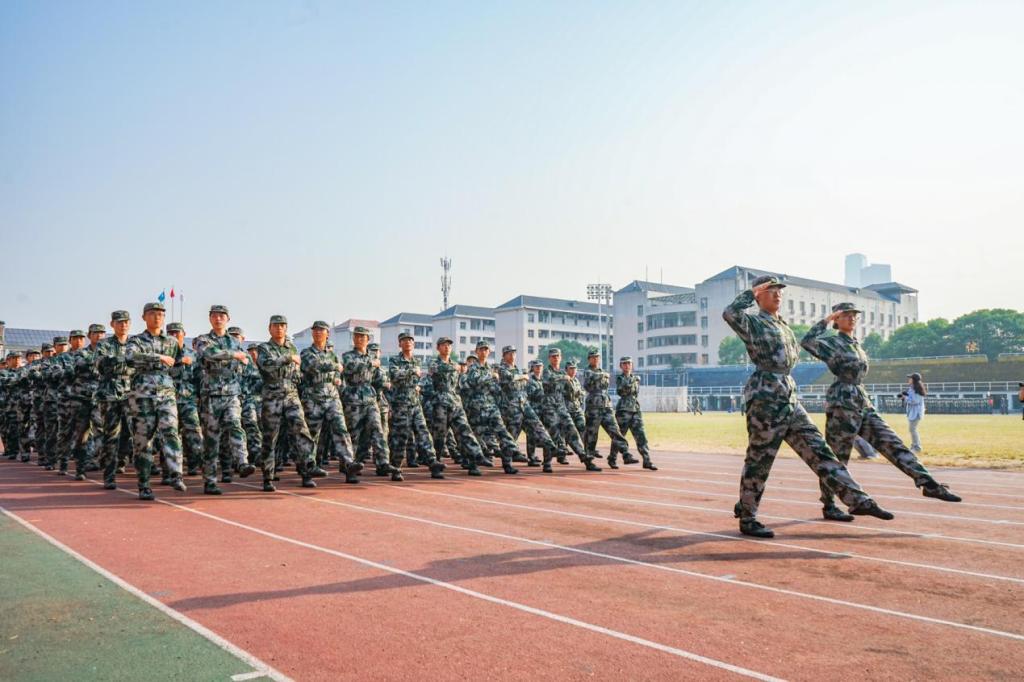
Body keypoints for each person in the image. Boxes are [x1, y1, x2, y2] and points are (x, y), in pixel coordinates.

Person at [723, 275, 893, 538]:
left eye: (779, 290)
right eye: (771, 290)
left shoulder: (782, 324)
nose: (777, 294)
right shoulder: (753, 323)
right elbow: (730, 313)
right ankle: (747, 516)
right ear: (758, 295)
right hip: (765, 397)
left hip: (788, 394)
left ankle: (857, 499)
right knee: (760, 459)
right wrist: (751, 292)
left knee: (819, 449)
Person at [801, 303, 960, 521]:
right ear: (837, 319)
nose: (851, 318)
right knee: (837, 459)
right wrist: (826, 320)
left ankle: (929, 484)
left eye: (854, 315)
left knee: (892, 442)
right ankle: (829, 505)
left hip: (861, 400)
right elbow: (807, 341)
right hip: (842, 404)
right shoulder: (831, 342)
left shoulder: (856, 344)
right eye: (845, 315)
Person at [254, 315, 325, 491]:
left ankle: (308, 469)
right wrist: (288, 358)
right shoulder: (264, 348)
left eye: (282, 326)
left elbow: (295, 372)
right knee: (270, 438)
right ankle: (268, 477)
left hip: (291, 396)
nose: (279, 328)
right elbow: (266, 365)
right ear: (269, 328)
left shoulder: (291, 347)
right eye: (275, 325)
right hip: (272, 397)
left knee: (301, 432)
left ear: (286, 329)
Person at [125, 302, 188, 500]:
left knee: (171, 431)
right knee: (143, 441)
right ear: (144, 317)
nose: (157, 317)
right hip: (143, 396)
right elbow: (130, 357)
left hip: (166, 394)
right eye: (152, 314)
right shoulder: (136, 340)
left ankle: (176, 474)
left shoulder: (171, 342)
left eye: (160, 314)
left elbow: (177, 366)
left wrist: (184, 364)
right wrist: (158, 357)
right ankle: (144, 484)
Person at [194, 304, 257, 495]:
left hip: (231, 394)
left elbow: (246, 365)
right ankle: (210, 481)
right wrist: (234, 355)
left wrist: (242, 361)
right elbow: (209, 354)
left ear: (228, 319)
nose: (218, 318)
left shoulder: (234, 342)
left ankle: (242, 461)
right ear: (210, 318)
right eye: (214, 315)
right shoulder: (203, 340)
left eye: (222, 316)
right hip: (211, 396)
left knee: (235, 425)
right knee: (211, 440)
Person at [299, 321, 363, 483]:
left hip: (332, 397)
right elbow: (313, 365)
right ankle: (307, 471)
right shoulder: (307, 353)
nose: (318, 332)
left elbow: (338, 374)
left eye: (322, 330)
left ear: (327, 334)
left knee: (341, 430)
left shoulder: (332, 354)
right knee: (312, 435)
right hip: (313, 398)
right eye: (316, 330)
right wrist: (335, 366)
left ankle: (349, 464)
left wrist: (336, 377)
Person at [387, 332, 446, 478]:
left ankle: (433, 463)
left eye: (410, 340)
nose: (407, 342)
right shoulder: (395, 360)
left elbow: (417, 379)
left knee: (424, 434)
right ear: (400, 344)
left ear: (413, 344)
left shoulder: (417, 360)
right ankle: (396, 468)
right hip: (401, 405)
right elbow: (394, 375)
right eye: (404, 340)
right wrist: (412, 371)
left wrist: (418, 385)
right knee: (400, 438)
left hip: (415, 403)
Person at [342, 327, 397, 479]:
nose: (360, 339)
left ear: (368, 339)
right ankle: (350, 466)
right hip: (353, 398)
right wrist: (371, 363)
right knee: (354, 435)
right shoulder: (348, 356)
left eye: (363, 337)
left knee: (377, 430)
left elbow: (379, 378)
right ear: (354, 339)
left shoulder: (373, 358)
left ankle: (383, 462)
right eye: (357, 336)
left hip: (370, 398)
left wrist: (384, 379)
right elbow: (351, 367)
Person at [428, 337, 485, 476]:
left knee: (465, 432)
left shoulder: (456, 365)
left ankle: (474, 461)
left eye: (449, 345)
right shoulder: (434, 363)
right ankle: (436, 465)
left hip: (455, 403)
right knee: (439, 437)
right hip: (440, 404)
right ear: (438, 348)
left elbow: (459, 383)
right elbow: (437, 370)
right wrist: (454, 368)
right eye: (443, 345)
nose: (447, 347)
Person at [464, 340, 521, 475]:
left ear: (489, 352)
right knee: (476, 435)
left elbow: (494, 388)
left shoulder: (490, 368)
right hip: (476, 407)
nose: (484, 352)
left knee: (501, 430)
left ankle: (512, 455)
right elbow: (474, 381)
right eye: (481, 349)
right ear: (476, 351)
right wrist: (490, 376)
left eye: (486, 349)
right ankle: (472, 465)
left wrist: (499, 386)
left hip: (491, 406)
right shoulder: (473, 367)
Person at [541, 348, 600, 473]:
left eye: (557, 356)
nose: (555, 358)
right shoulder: (547, 371)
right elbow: (549, 380)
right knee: (553, 435)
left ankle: (586, 459)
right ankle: (547, 463)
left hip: (562, 407)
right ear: (549, 358)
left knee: (572, 432)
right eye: (553, 356)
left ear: (560, 357)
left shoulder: (564, 373)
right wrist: (564, 377)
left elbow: (570, 390)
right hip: (549, 407)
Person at [59, 325, 105, 480]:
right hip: (80, 399)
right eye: (95, 333)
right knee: (80, 435)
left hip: (100, 398)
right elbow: (79, 365)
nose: (99, 336)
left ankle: (96, 461)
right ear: (90, 336)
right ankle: (78, 467)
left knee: (102, 431)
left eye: (101, 333)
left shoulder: (109, 352)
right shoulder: (81, 353)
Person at [95, 312, 136, 488]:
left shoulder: (135, 343)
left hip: (132, 393)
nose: (123, 325)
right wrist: (126, 359)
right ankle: (109, 475)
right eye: (119, 322)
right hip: (110, 394)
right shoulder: (104, 344)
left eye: (126, 322)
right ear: (112, 324)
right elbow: (101, 363)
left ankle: (123, 461)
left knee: (132, 433)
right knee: (111, 435)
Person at [497, 345, 555, 468]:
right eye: (509, 353)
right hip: (511, 407)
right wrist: (523, 376)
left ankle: (552, 447)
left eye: (513, 353)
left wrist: (522, 377)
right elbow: (510, 378)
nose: (512, 355)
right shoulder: (502, 369)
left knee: (537, 426)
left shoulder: (517, 369)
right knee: (512, 435)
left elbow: (522, 384)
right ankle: (507, 463)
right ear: (504, 355)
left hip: (524, 404)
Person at [581, 349, 631, 466]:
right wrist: (602, 375)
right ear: (589, 359)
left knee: (615, 430)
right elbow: (591, 379)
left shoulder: (602, 371)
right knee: (591, 435)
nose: (595, 359)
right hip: (593, 407)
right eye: (593, 357)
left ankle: (625, 453)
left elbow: (604, 384)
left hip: (606, 406)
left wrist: (603, 375)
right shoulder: (587, 371)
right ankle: (589, 461)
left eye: (597, 357)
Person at [167, 322, 204, 476]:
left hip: (189, 399)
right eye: (171, 333)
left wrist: (200, 396)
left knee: (193, 431)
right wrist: (179, 361)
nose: (174, 335)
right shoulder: (164, 354)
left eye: (177, 332)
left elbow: (199, 376)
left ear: (184, 334)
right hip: (168, 399)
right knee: (169, 433)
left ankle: (194, 464)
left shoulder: (193, 354)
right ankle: (169, 469)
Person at [614, 357, 657, 471]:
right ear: (621, 366)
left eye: (629, 363)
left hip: (635, 410)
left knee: (641, 436)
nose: (627, 365)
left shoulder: (635, 378)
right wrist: (633, 381)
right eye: (624, 364)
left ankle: (647, 460)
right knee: (620, 436)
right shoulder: (620, 378)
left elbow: (635, 393)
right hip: (623, 410)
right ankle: (612, 458)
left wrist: (634, 381)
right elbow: (622, 391)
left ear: (632, 365)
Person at [902, 372, 927, 453]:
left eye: (910, 378)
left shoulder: (917, 389)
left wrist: (905, 398)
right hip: (913, 412)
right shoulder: (912, 388)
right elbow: (910, 398)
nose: (908, 379)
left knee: (912, 429)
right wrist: (905, 396)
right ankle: (914, 446)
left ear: (913, 380)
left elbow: (915, 401)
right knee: (912, 429)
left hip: (916, 413)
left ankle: (917, 447)